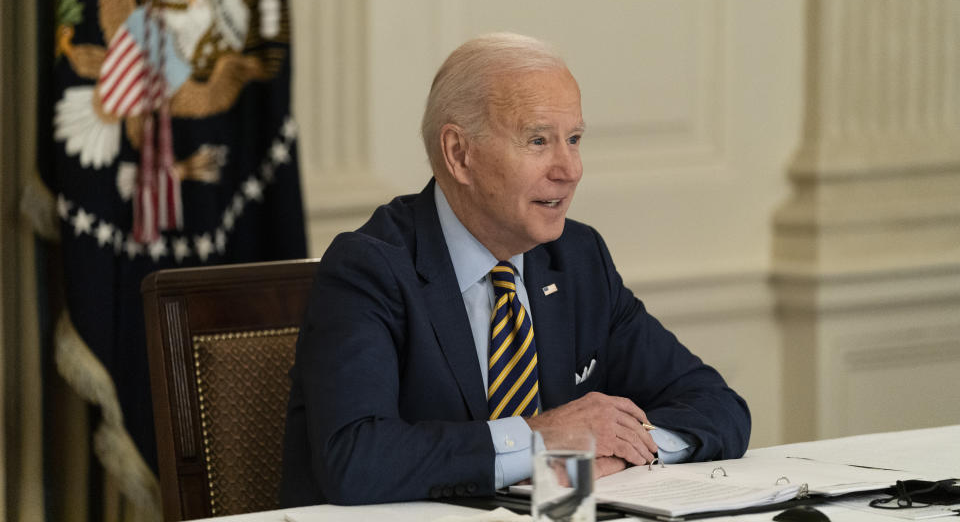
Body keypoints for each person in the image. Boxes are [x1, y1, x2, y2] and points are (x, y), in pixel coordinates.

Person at [280, 32, 750, 506]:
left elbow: (718, 406)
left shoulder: (578, 259)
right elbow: (355, 458)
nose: (569, 169)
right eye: (539, 140)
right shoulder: (370, 268)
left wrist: (626, 450)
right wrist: (541, 437)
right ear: (459, 154)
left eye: (574, 139)